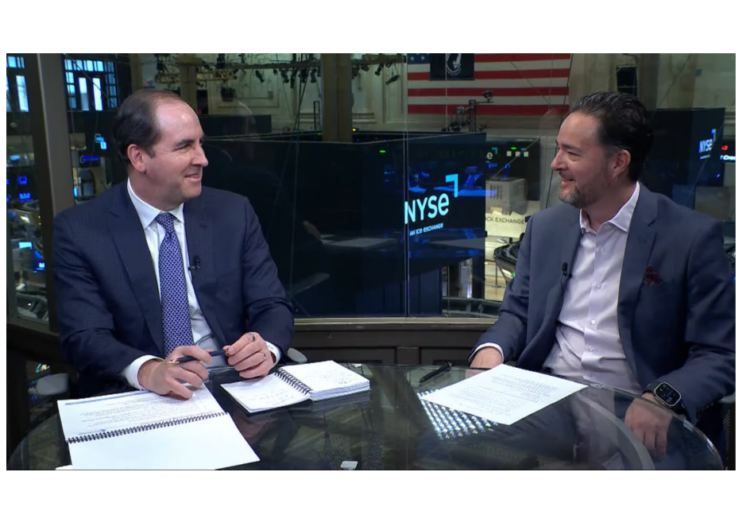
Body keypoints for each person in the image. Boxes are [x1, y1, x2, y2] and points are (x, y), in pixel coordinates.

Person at [470, 91, 735, 461]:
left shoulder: (690, 238)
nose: (556, 163)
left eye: (572, 153)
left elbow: (720, 353)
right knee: (433, 452)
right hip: (547, 409)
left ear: (618, 163)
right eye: (558, 149)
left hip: (642, 419)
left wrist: (662, 397)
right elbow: (518, 311)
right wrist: (491, 350)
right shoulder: (545, 228)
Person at [53, 89, 294, 399]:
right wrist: (147, 369)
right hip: (140, 396)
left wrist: (266, 348)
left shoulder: (234, 213)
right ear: (138, 157)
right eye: (184, 146)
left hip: (234, 388)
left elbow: (272, 304)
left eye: (200, 143)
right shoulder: (80, 231)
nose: (203, 159)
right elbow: (84, 336)